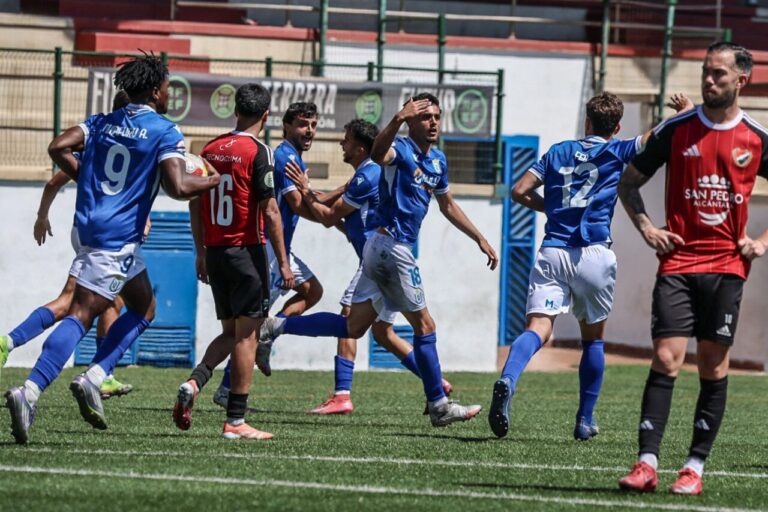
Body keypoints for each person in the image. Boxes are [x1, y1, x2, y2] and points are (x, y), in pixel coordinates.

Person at [3, 53, 219, 444]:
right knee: (80, 312)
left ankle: (97, 375)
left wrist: (90, 179)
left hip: (87, 228)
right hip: (117, 236)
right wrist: (211, 181)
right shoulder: (164, 131)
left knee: (143, 306)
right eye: (168, 87)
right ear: (156, 91)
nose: (169, 93)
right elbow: (177, 187)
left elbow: (57, 146)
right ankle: (30, 391)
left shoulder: (102, 122)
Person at [260, 93, 498, 427]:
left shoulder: (438, 161)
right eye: (425, 117)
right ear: (412, 121)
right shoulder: (399, 150)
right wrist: (398, 118)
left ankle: (276, 325)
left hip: (379, 250)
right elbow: (377, 153)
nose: (433, 123)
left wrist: (480, 237)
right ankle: (439, 403)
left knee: (354, 327)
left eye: (437, 117)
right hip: (393, 248)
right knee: (424, 326)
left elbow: (448, 205)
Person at [487, 92, 693, 441]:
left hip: (553, 250)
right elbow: (654, 135)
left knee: (537, 327)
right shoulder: (617, 149)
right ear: (615, 126)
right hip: (594, 255)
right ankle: (584, 420)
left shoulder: (557, 152)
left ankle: (507, 380)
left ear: (586, 121)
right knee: (593, 340)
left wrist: (550, 208)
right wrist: (684, 112)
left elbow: (520, 190)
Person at [617, 42, 768, 495]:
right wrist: (646, 227)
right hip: (678, 263)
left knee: (712, 366)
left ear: (741, 79)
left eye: (719, 74)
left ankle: (694, 467)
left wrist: (760, 242)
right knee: (665, 357)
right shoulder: (677, 129)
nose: (708, 80)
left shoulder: (756, 138)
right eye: (705, 72)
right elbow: (629, 181)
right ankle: (645, 464)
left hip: (727, 268)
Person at [283, 118, 452, 415]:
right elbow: (331, 209)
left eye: (345, 140)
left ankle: (341, 394)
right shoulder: (364, 174)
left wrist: (306, 191)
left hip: (379, 260)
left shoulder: (368, 175)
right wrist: (310, 192)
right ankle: (434, 381)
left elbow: (326, 214)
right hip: (388, 255)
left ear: (360, 148)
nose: (341, 145)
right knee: (384, 333)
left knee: (350, 318)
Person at [0, 90, 140, 399]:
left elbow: (54, 181)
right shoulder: (136, 146)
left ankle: (103, 372)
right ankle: (11, 344)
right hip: (108, 237)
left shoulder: (97, 141)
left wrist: (42, 216)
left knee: (110, 302)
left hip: (88, 230)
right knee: (72, 303)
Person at [172, 83, 290, 439]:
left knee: (229, 332)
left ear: (235, 110)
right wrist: (283, 263)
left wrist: (201, 251)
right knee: (247, 337)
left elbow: (195, 201)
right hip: (246, 251)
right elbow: (270, 210)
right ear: (266, 116)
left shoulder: (209, 148)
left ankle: (194, 384)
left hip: (217, 252)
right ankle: (236, 421)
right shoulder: (258, 152)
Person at [210, 102, 345, 407]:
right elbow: (299, 203)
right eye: (302, 124)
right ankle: (226, 389)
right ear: (285, 126)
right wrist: (339, 197)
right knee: (250, 324)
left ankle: (274, 329)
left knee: (312, 291)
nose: (309, 130)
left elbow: (307, 203)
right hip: (270, 250)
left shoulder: (293, 157)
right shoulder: (283, 158)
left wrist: (329, 215)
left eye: (312, 124)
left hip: (282, 247)